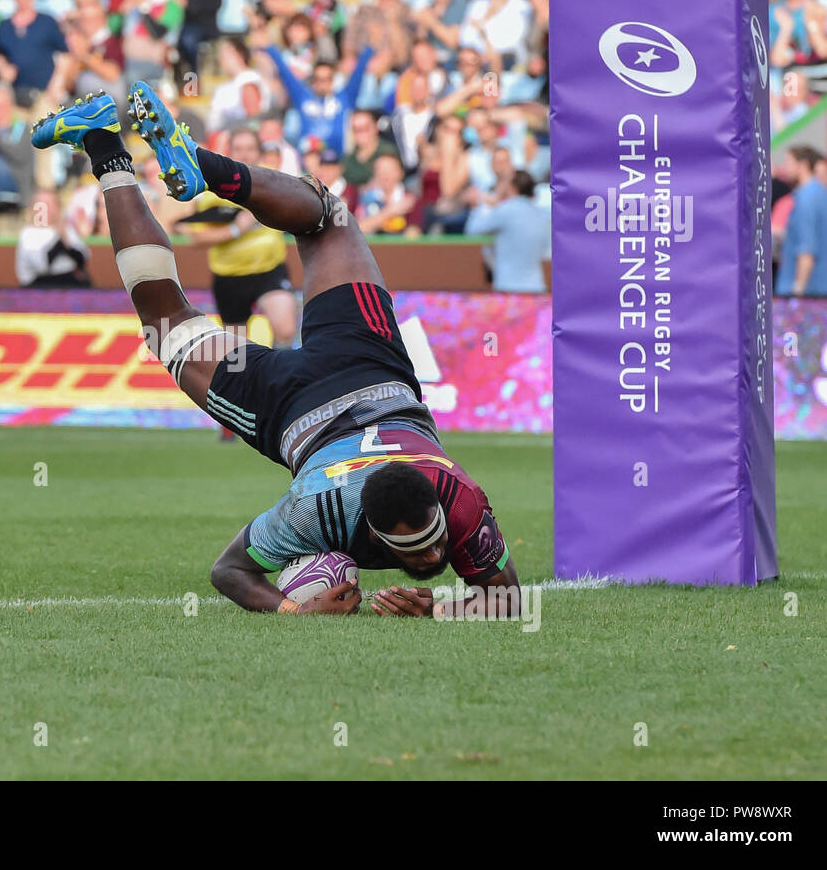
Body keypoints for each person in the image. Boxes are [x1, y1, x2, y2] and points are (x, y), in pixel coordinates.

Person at [30, 83, 520, 617]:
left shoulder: (454, 499)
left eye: (432, 542)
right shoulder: (320, 514)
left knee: (321, 223)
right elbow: (227, 570)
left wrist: (438, 609)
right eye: (416, 549)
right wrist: (296, 611)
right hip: (302, 402)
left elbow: (505, 599)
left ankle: (118, 147)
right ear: (371, 532)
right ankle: (154, 153)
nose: (434, 556)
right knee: (184, 311)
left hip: (355, 372)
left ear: (438, 502)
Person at [174, 129, 298, 422]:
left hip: (269, 270)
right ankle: (234, 416)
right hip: (229, 277)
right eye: (237, 148)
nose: (243, 154)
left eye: (249, 148)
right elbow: (193, 237)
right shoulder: (213, 191)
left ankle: (282, 390)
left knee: (285, 328)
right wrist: (236, 229)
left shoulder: (271, 181)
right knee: (236, 353)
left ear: (259, 152)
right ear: (229, 151)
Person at [463, 169, 550, 292]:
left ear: (512, 187)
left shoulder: (506, 211)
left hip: (508, 288)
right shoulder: (542, 216)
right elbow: (547, 253)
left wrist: (479, 205)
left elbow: (473, 231)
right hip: (536, 288)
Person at [777, 145, 827, 297]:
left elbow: (807, 249)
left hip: (809, 294)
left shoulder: (806, 199)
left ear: (803, 165)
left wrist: (797, 291)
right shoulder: (824, 195)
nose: (784, 168)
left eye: (788, 162)